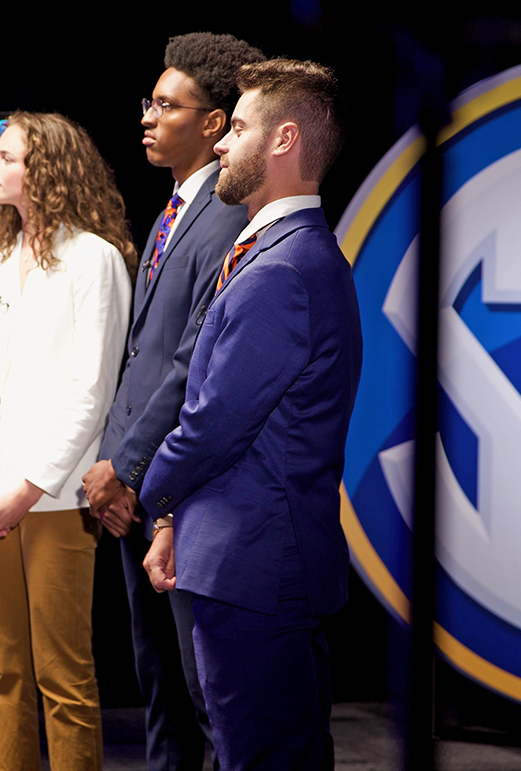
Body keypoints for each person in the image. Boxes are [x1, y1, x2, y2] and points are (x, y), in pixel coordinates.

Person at [139, 59, 362, 771]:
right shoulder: (282, 256)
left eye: (236, 128)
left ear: (283, 140)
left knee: (260, 757)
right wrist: (176, 518)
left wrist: (152, 493)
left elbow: (210, 425)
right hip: (250, 562)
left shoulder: (282, 272)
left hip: (256, 569)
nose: (222, 145)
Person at [82, 32, 264, 771]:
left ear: (214, 123)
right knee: (160, 689)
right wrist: (110, 465)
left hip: (177, 494)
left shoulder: (224, 213)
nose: (148, 118)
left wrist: (128, 469)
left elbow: (193, 361)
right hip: (134, 487)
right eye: (148, 103)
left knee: (202, 692)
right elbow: (138, 360)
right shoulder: (170, 213)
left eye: (167, 105)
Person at [0, 111, 135, 771]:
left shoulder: (96, 261)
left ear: (45, 168)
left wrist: (24, 494)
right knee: (3, 674)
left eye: (7, 157)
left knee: (64, 676)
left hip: (51, 500)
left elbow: (92, 395)